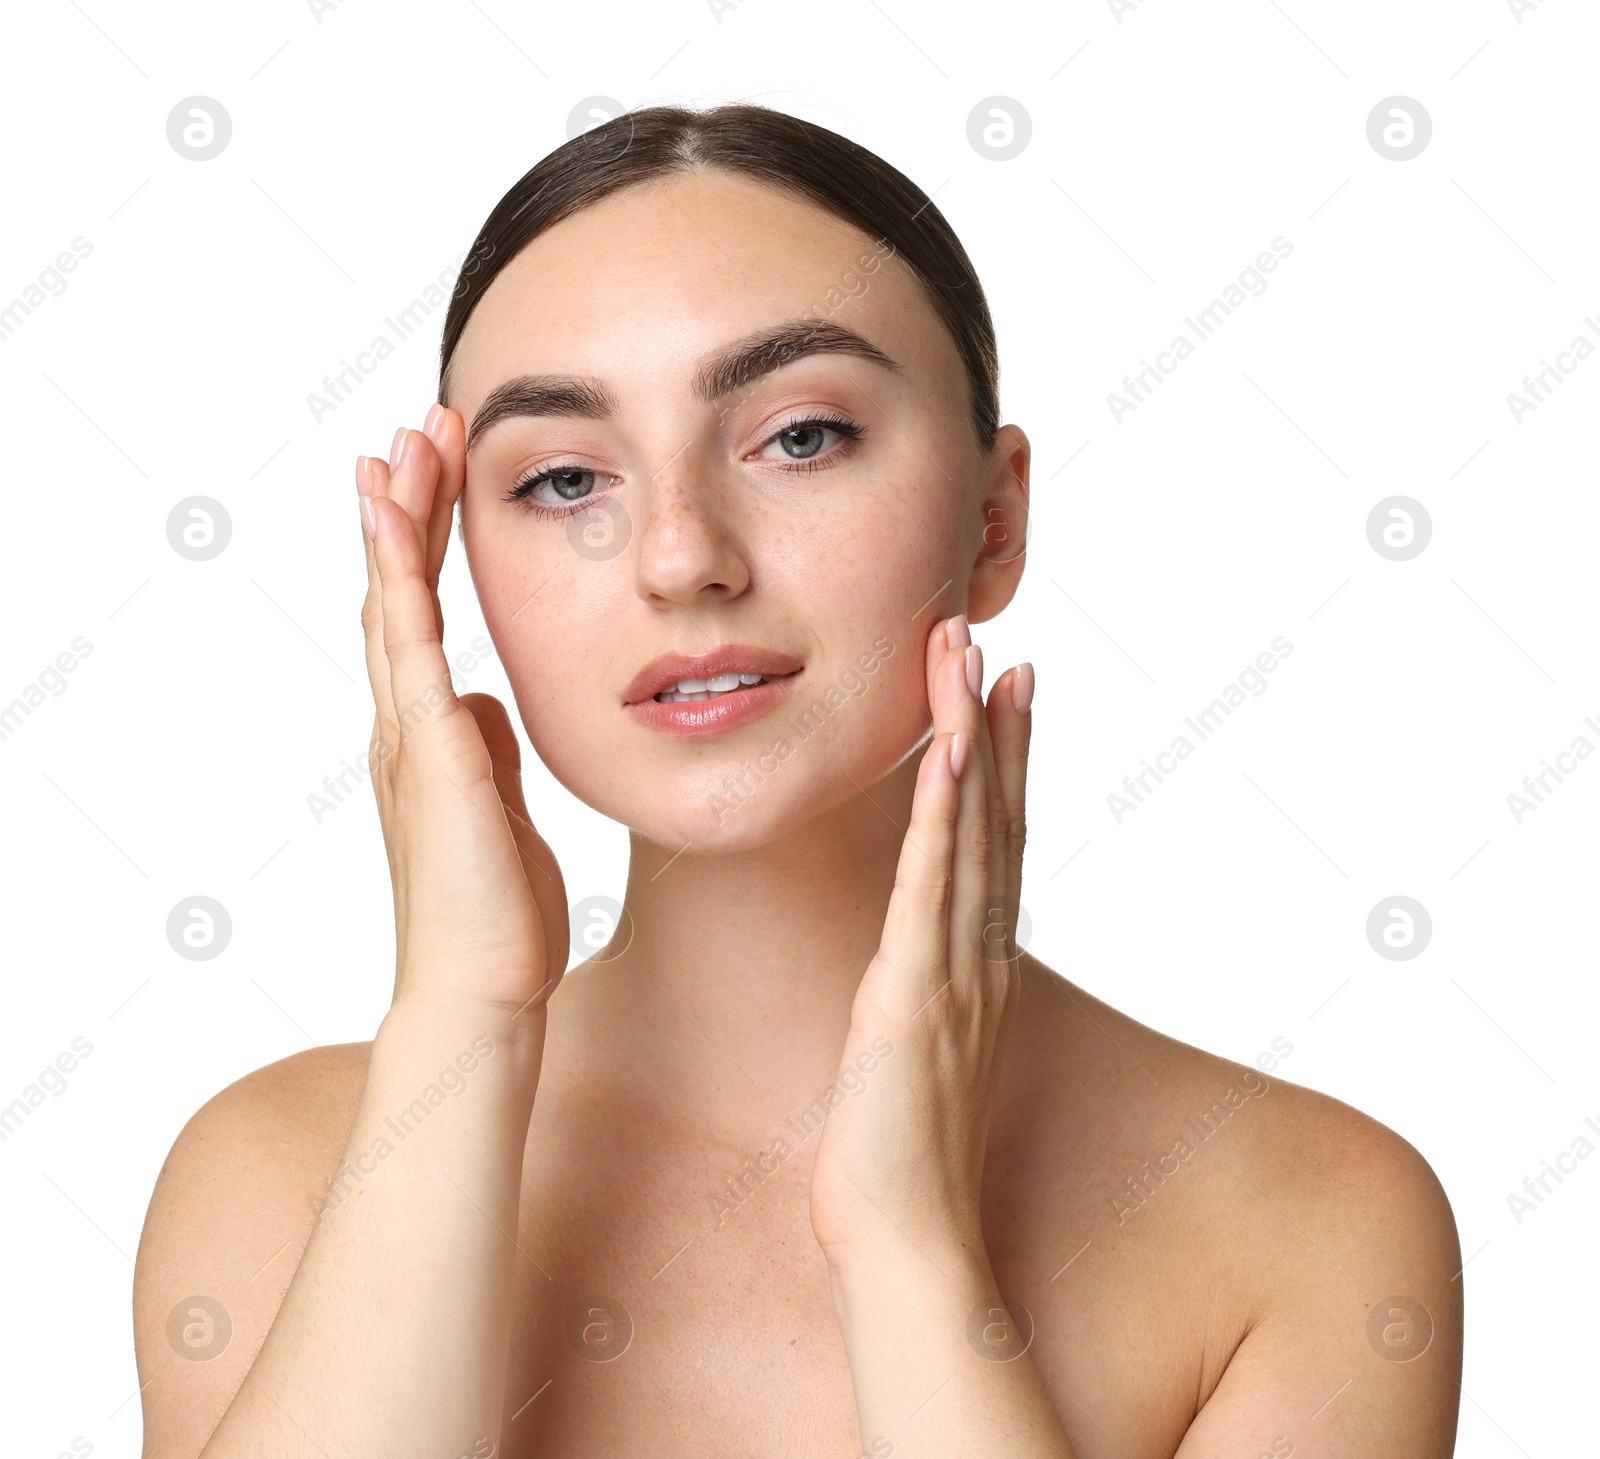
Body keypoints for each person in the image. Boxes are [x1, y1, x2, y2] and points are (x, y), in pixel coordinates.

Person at [132, 104, 1462, 1458]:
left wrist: (910, 1251)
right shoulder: (274, 1180)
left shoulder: (1305, 1218)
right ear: (448, 561)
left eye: (802, 437)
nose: (680, 556)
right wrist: (462, 1028)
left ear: (994, 518)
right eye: (566, 477)